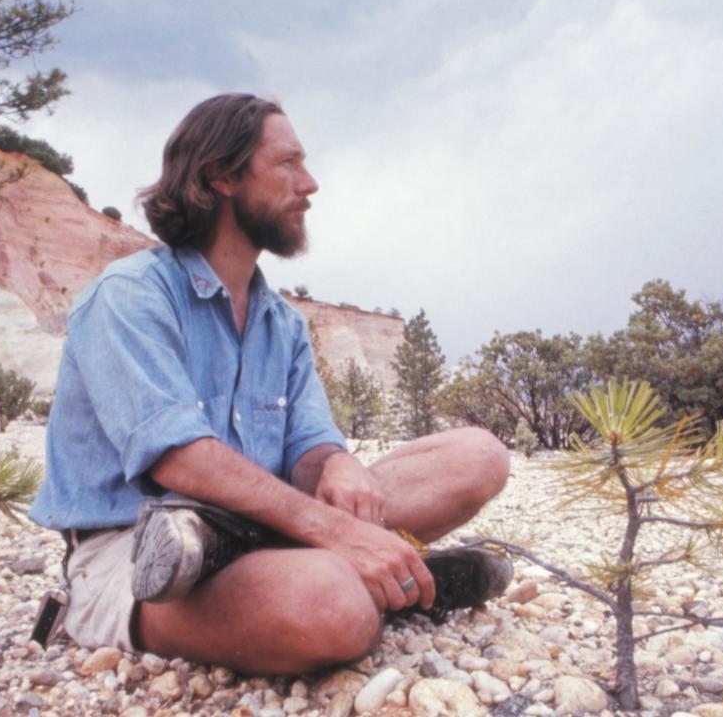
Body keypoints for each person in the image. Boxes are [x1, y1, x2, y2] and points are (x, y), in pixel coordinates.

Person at [29, 93, 511, 674]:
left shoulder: (280, 321)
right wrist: (337, 532)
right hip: (137, 552)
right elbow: (178, 459)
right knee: (333, 608)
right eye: (288, 164)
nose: (309, 184)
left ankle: (364, 575)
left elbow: (309, 446)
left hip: (262, 530)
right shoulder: (129, 295)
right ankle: (396, 582)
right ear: (221, 176)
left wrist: (335, 463)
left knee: (478, 455)